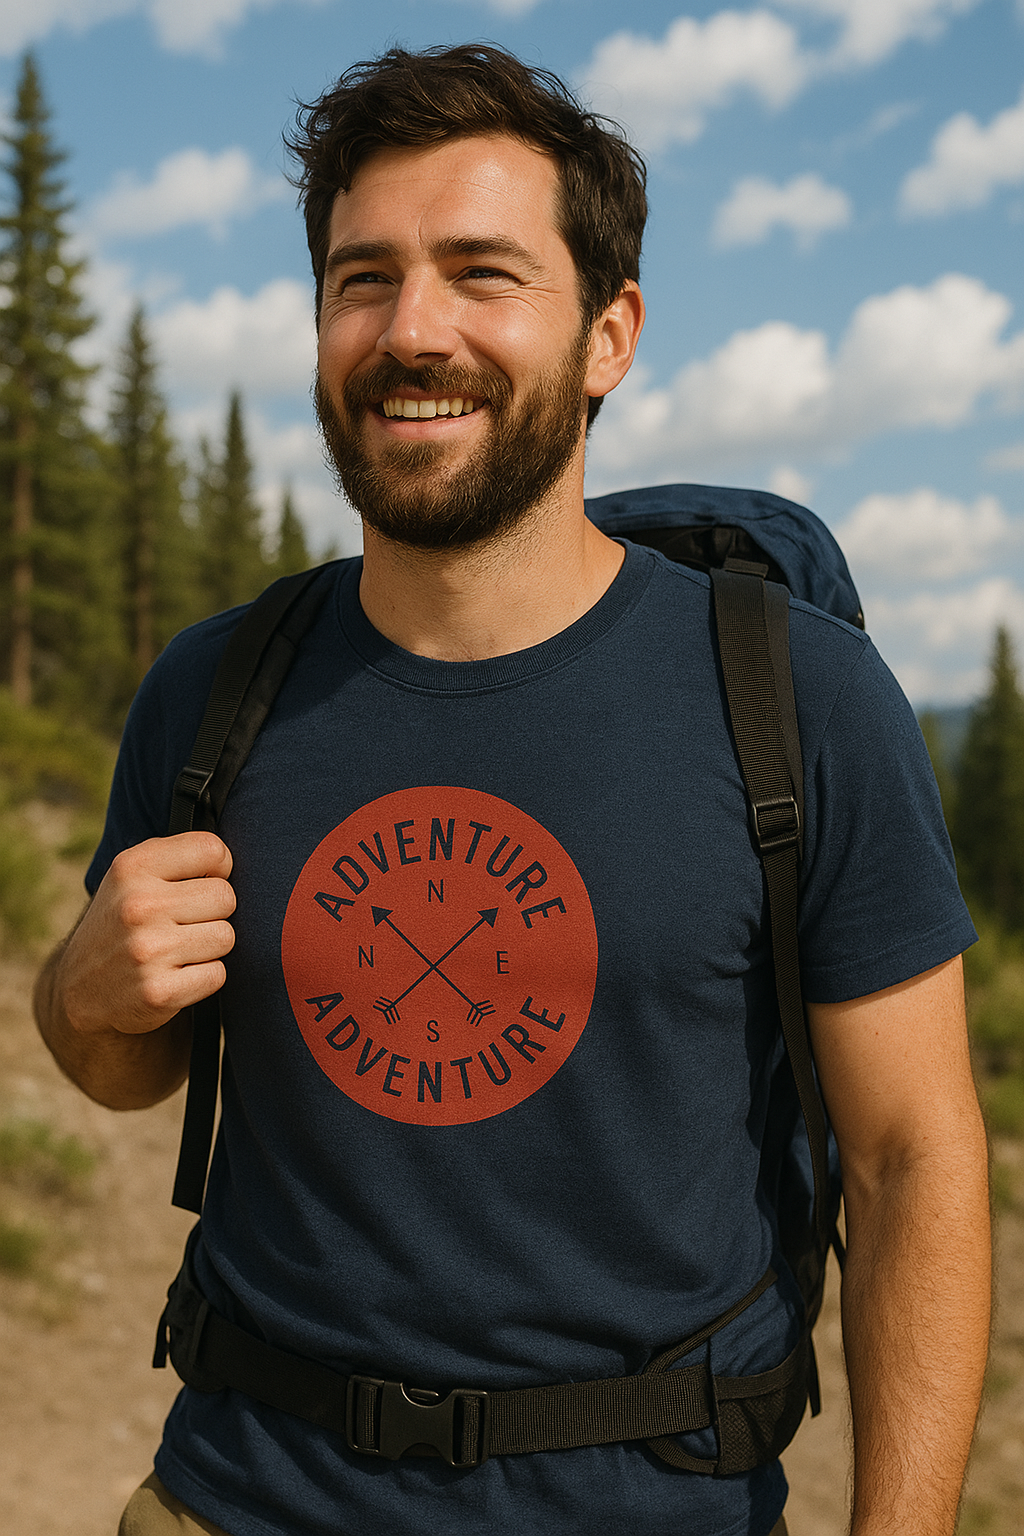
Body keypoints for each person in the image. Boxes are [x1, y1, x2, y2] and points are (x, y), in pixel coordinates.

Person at [35, 43, 989, 1536]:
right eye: (364, 279)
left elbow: (913, 1156)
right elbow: (125, 1066)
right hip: (238, 1498)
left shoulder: (799, 697)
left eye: (483, 273)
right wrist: (78, 1001)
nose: (412, 330)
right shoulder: (214, 690)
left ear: (609, 335)